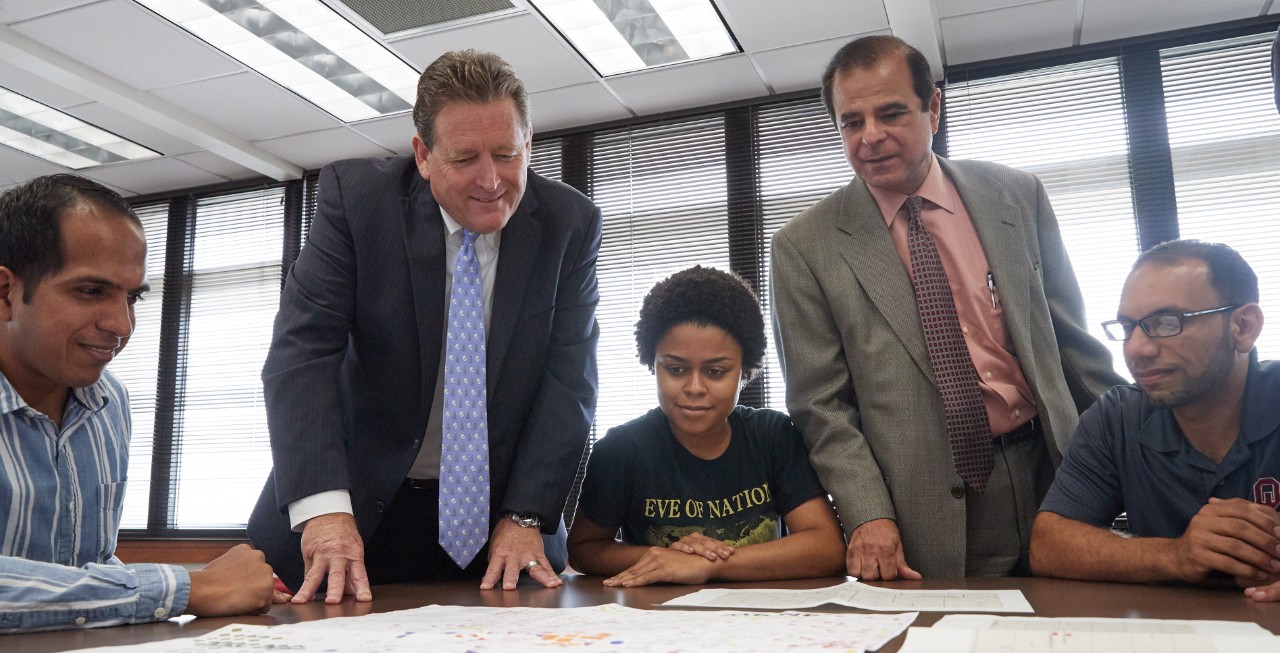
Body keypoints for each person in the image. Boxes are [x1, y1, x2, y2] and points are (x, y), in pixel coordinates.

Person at [247, 49, 602, 602]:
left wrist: (528, 512)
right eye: (465, 159)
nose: (491, 181)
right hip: (358, 512)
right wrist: (325, 511)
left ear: (529, 144)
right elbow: (303, 356)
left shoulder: (569, 223)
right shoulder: (358, 203)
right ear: (423, 155)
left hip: (505, 523)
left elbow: (569, 379)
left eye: (507, 154)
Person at [770, 35, 1122, 580]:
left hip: (1051, 471)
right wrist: (867, 513)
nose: (871, 138)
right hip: (918, 507)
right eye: (851, 122)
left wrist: (1136, 455)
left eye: (891, 114)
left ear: (934, 107)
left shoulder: (1016, 196)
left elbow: (1072, 345)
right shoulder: (805, 246)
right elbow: (820, 404)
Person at [0, 174, 279, 632]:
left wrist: (232, 586)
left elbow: (88, 565)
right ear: (6, 293)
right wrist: (192, 587)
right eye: (90, 291)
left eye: (132, 297)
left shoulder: (110, 403)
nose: (122, 324)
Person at [1032, 240, 1280, 601]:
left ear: (1243, 326)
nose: (1137, 349)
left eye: (1167, 323)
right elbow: (1048, 545)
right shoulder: (1117, 417)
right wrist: (1176, 555)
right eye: (1128, 327)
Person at [566, 266, 844, 586]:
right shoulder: (622, 449)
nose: (695, 387)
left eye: (715, 372)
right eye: (676, 369)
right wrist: (665, 560)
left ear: (745, 371)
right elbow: (584, 549)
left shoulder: (773, 436)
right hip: (659, 616)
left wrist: (709, 565)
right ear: (651, 364)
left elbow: (827, 547)